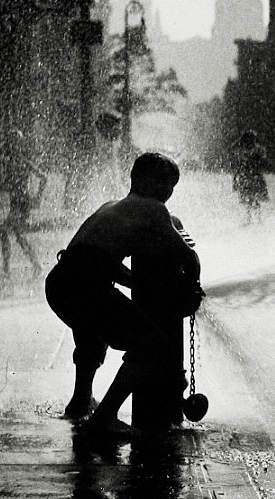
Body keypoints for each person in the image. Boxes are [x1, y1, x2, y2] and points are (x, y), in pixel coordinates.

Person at [45, 152, 202, 434]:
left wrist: (139, 284)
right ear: (144, 181)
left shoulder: (112, 206)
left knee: (93, 331)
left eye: (173, 186)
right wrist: (191, 289)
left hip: (60, 282)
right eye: (166, 183)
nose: (169, 192)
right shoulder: (154, 210)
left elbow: (98, 261)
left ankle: (81, 401)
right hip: (86, 286)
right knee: (151, 344)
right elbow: (187, 257)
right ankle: (104, 416)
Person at [1, 128, 47, 277]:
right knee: (14, 234)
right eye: (11, 143)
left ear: (19, 144)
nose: (12, 146)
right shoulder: (8, 162)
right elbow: (7, 184)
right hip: (15, 202)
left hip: (22, 202)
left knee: (9, 231)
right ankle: (29, 265)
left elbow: (43, 177)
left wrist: (38, 197)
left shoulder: (22, 161)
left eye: (15, 143)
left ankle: (9, 268)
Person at [231, 129, 269, 222]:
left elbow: (264, 162)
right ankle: (254, 218)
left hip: (249, 176)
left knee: (251, 199)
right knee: (252, 199)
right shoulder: (254, 149)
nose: (252, 141)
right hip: (251, 176)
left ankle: (254, 218)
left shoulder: (245, 150)